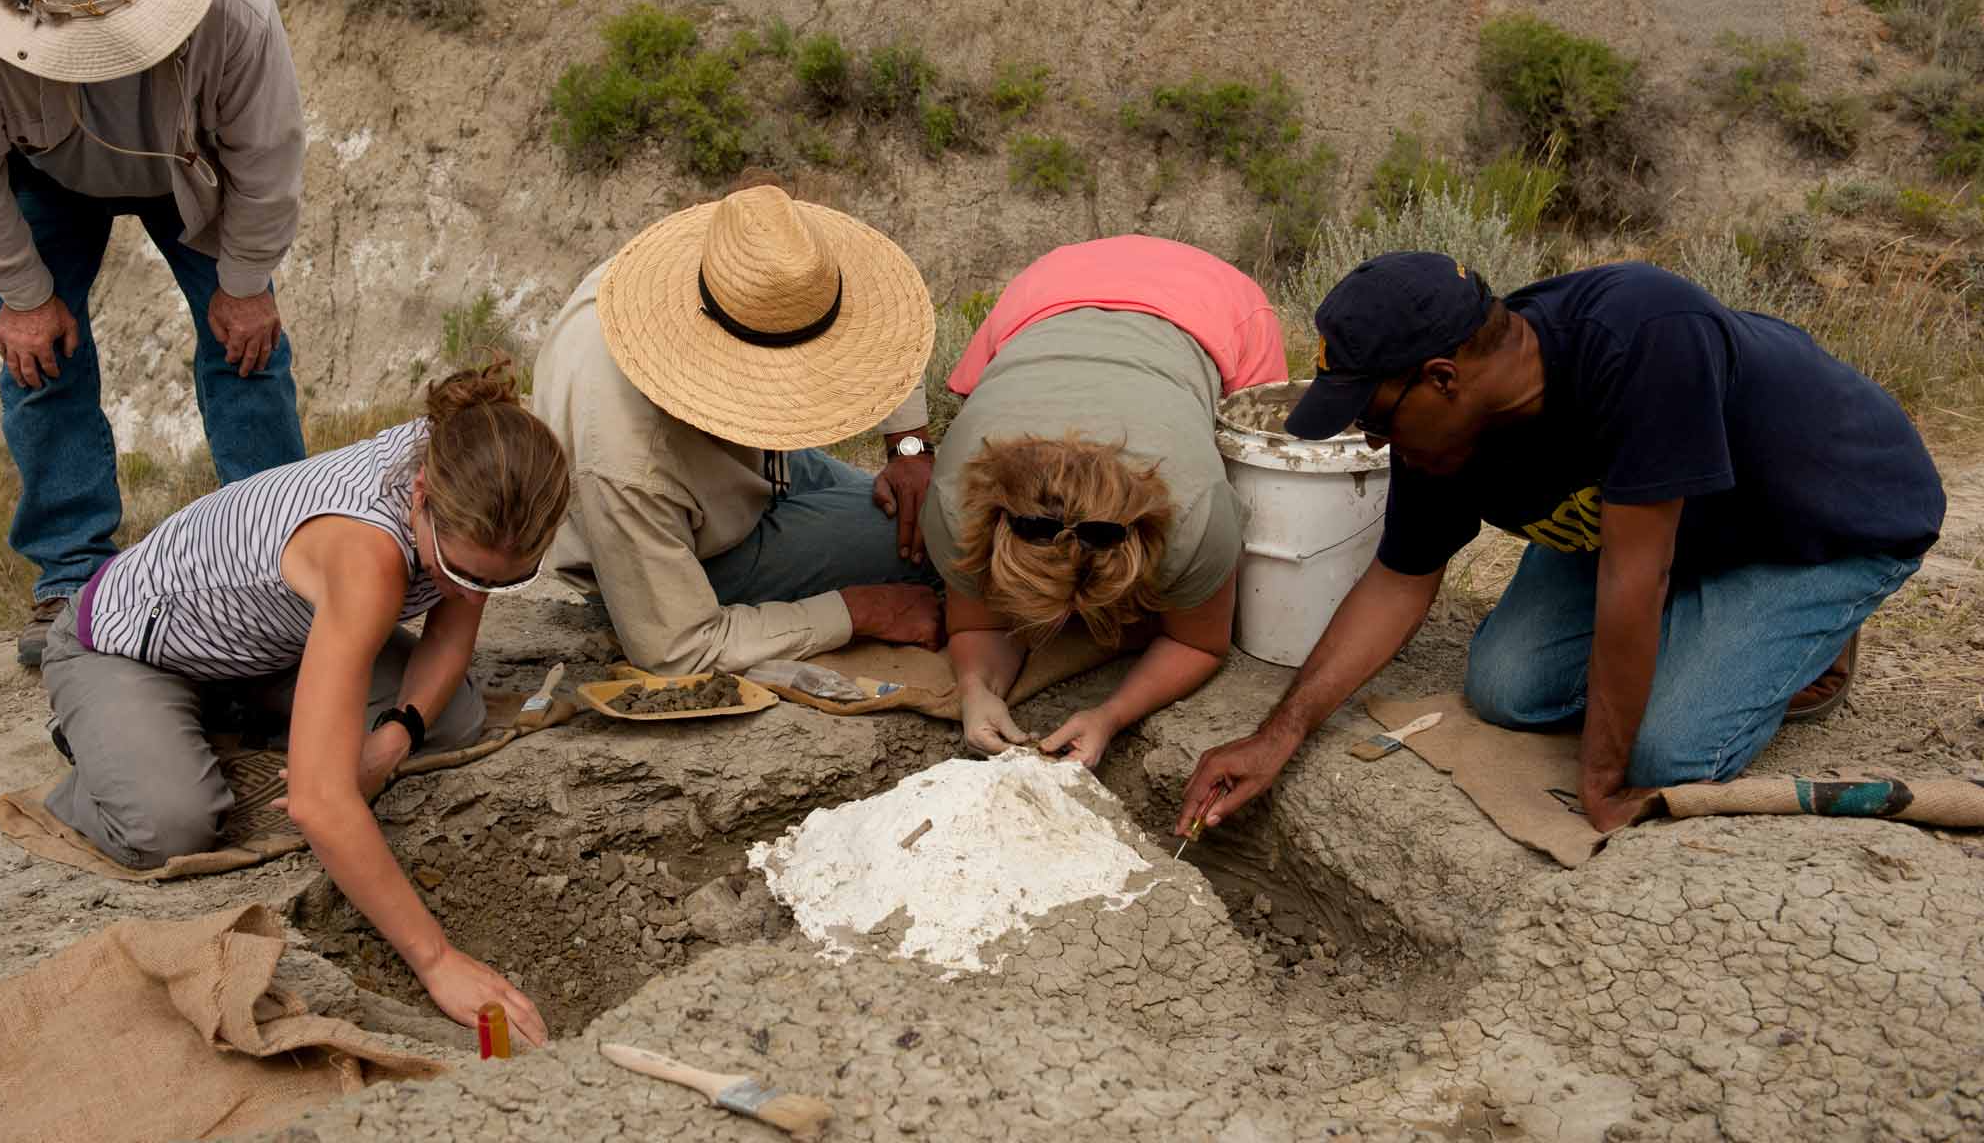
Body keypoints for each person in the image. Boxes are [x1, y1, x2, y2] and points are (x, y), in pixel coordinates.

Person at [1179, 253, 1944, 837]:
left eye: (1379, 420)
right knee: (1507, 688)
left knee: (1671, 755)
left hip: (1819, 523)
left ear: (1443, 378)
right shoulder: (1440, 433)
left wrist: (1604, 782)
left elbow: (1633, 584)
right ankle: (1710, 621)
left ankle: (1818, 633)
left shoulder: (1644, 338)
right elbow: (1400, 578)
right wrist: (1277, 735)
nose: (1377, 441)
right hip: (1651, 529)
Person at [37, 358, 568, 1041]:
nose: (471, 597)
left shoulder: (482, 465)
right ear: (418, 495)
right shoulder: (367, 554)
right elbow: (318, 803)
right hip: (130, 644)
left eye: (505, 583)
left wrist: (392, 739)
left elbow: (450, 633)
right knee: (168, 824)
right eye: (460, 572)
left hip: (269, 646)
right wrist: (436, 960)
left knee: (453, 715)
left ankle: (230, 716)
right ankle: (96, 738)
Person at [0, 0, 310, 665]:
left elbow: (268, 157)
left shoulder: (233, 4)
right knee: (41, 361)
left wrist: (245, 281)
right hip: (46, 177)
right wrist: (21, 295)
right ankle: (71, 572)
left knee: (249, 349)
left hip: (188, 169)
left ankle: (279, 556)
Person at [531, 183, 944, 673]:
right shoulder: (628, 463)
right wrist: (860, 611)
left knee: (925, 511)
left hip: (751, 468)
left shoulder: (720, 266)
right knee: (941, 539)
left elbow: (876, 312)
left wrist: (909, 449)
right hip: (674, 549)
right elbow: (679, 648)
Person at [922, 236, 1288, 767]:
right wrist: (977, 691)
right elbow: (978, 623)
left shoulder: (1197, 514)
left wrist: (1111, 714)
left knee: (1257, 445)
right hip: (1046, 293)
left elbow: (1202, 643)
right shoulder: (955, 502)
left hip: (1216, 303)